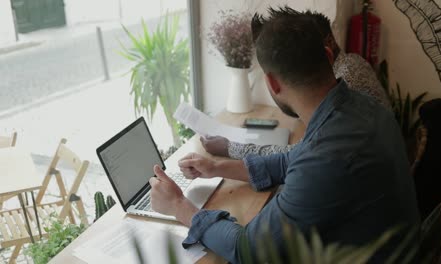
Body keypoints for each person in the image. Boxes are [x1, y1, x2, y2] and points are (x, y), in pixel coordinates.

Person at [149, 6, 419, 263]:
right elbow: (287, 161)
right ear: (328, 55)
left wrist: (179, 206)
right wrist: (216, 167)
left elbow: (250, 251)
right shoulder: (356, 107)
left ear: (272, 83)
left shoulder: (329, 154)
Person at [201, 12, 391, 159]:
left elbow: (301, 156)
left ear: (328, 48)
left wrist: (231, 148)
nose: (302, 55)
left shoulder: (346, 80)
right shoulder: (351, 63)